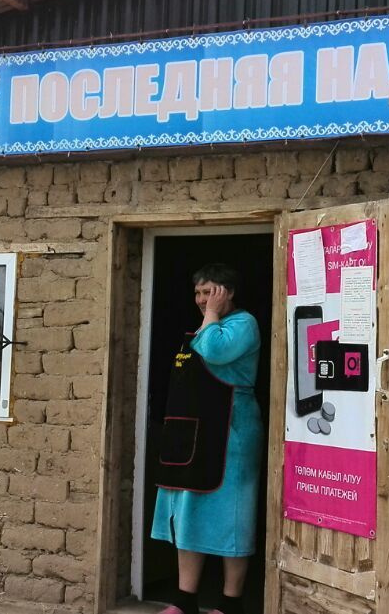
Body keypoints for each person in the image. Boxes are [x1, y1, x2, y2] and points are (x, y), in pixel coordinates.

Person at [151, 263, 262, 614]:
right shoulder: (206, 327)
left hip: (232, 435)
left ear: (229, 292)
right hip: (194, 436)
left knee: (233, 518)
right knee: (189, 515)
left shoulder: (243, 324)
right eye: (198, 293)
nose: (202, 300)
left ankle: (231, 603)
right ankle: (185, 600)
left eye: (210, 292)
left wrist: (211, 315)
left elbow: (215, 351)